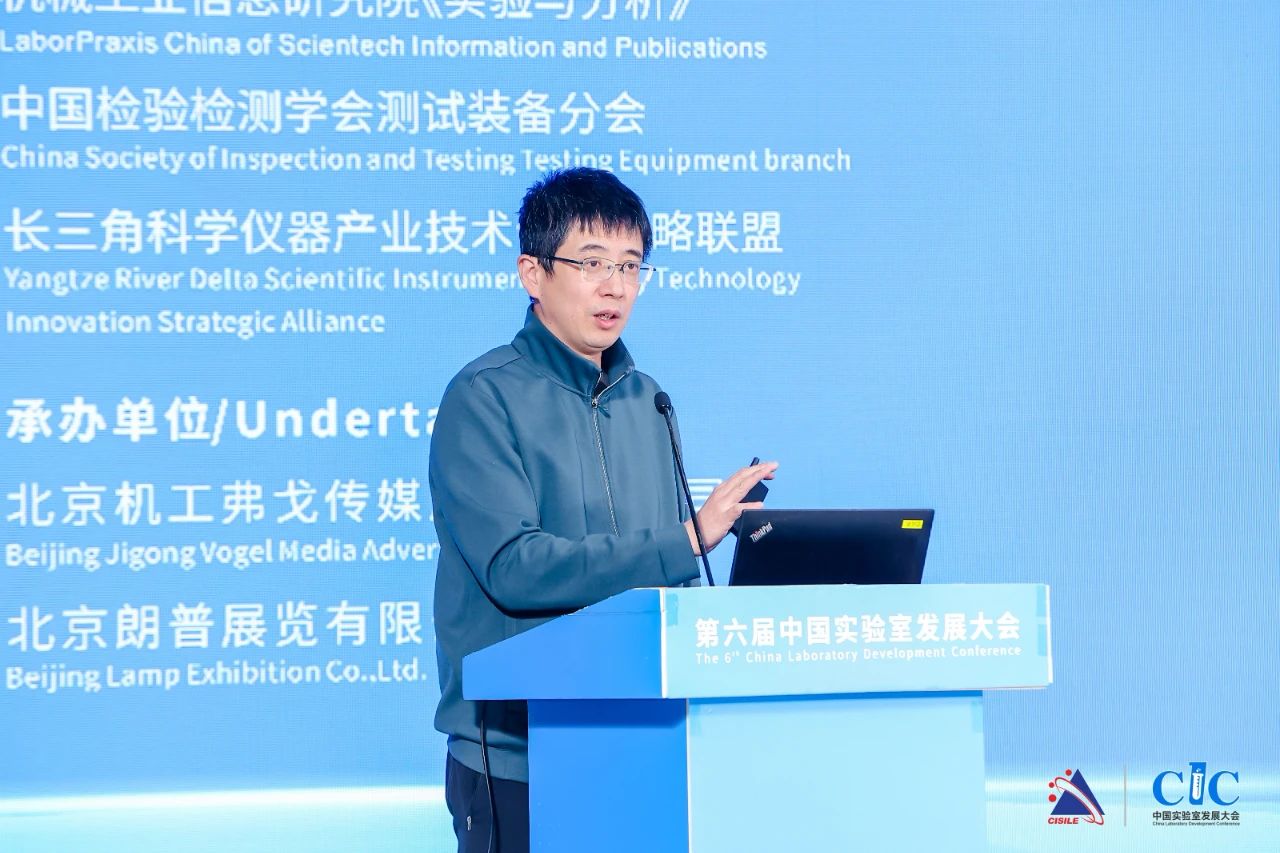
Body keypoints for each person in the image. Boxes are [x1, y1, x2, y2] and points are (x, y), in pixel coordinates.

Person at [429, 167, 776, 853]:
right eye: (592, 264)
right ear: (533, 273)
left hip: (640, 743)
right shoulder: (484, 396)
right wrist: (684, 541)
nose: (615, 286)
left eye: (630, 265)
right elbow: (514, 568)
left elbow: (661, 582)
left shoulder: (647, 400)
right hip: (520, 756)